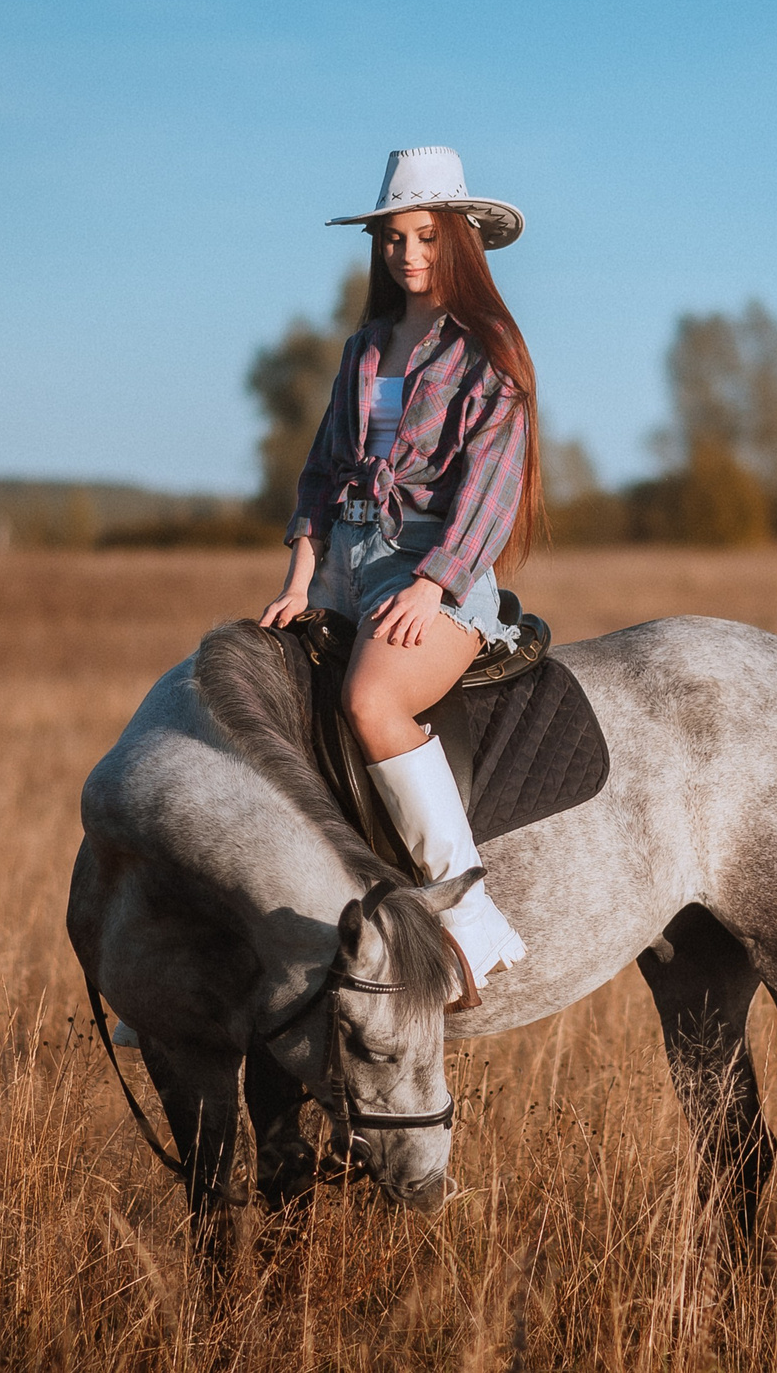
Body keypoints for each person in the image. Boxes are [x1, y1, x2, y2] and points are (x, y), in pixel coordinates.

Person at [258, 146, 543, 991]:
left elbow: (490, 492)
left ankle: (469, 916)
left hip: (425, 566)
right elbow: (322, 471)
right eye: (392, 240)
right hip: (340, 559)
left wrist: (432, 586)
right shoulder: (366, 349)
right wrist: (301, 580)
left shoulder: (487, 354)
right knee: (243, 692)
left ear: (459, 240)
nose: (408, 256)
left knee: (371, 699)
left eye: (424, 237)